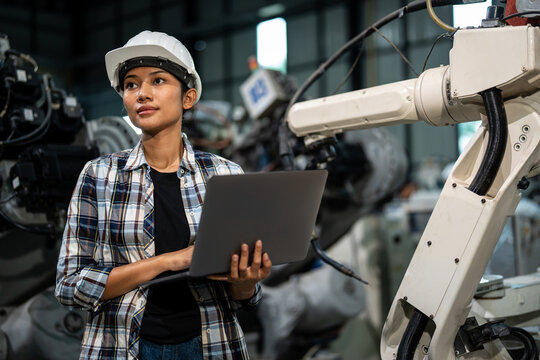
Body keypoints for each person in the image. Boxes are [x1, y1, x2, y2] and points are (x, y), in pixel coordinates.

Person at [55, 30, 272, 360]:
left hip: (209, 346)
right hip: (122, 347)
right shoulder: (99, 176)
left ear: (188, 98)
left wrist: (246, 280)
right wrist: (171, 260)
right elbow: (69, 286)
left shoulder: (226, 175)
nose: (142, 93)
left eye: (157, 80)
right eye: (131, 84)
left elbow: (244, 297)